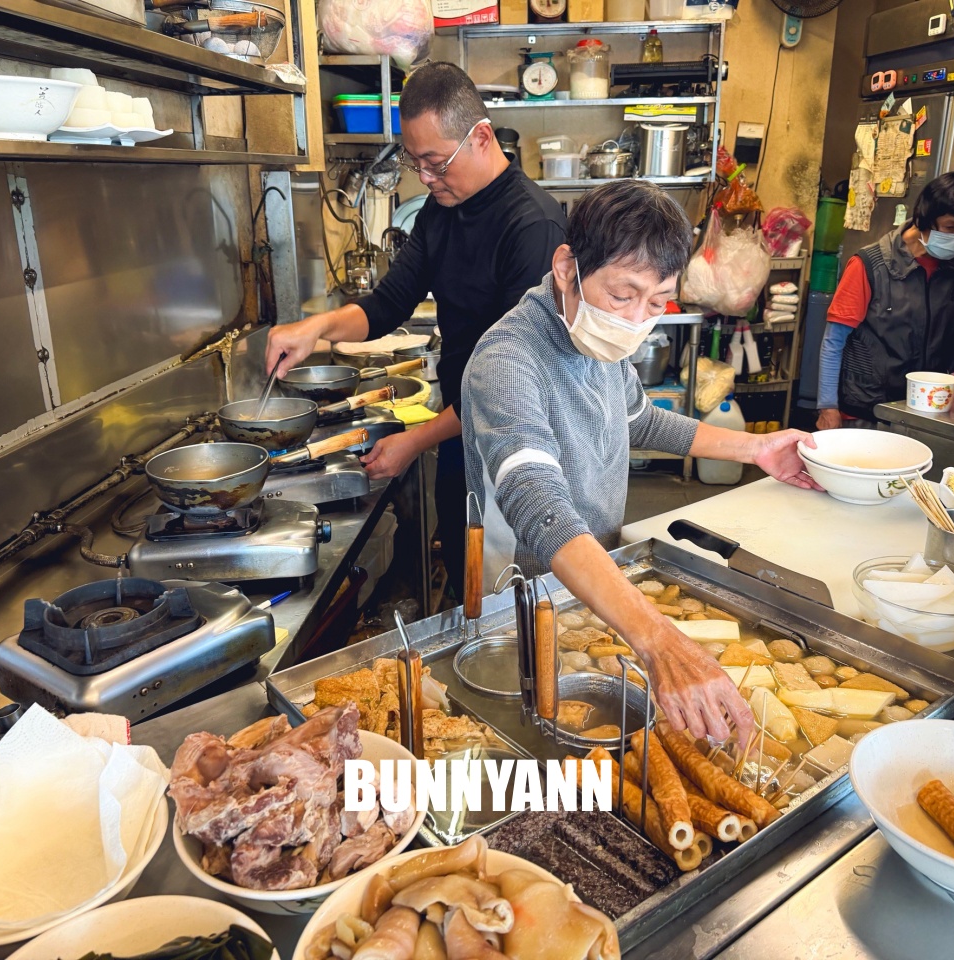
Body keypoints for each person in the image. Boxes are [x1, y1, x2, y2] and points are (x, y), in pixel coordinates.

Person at [460, 180, 821, 745]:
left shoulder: (601, 343)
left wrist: (756, 450)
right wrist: (659, 641)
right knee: (534, 745)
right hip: (525, 599)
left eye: (657, 302)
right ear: (566, 268)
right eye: (622, 294)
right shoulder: (508, 361)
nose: (635, 319)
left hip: (600, 586)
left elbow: (640, 421)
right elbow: (538, 504)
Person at [266, 62, 565, 600]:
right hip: (460, 428)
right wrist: (317, 329)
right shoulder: (438, 212)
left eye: (435, 162)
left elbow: (518, 384)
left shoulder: (533, 228)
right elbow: (387, 305)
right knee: (462, 562)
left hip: (517, 441)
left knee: (512, 587)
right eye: (415, 162)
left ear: (481, 137)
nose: (425, 178)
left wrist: (415, 442)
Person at [816, 171, 954, 428]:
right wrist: (827, 406)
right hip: (871, 412)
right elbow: (834, 341)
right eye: (950, 227)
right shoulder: (870, 265)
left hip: (938, 413)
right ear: (925, 218)